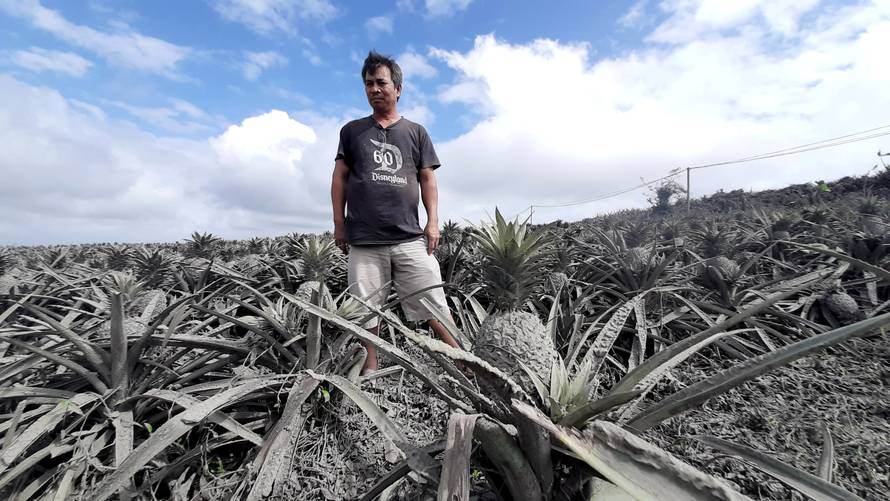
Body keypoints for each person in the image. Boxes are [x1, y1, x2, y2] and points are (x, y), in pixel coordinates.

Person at [331, 50, 462, 374]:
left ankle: (463, 363)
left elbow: (427, 178)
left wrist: (432, 222)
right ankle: (370, 366)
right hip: (364, 238)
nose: (374, 89)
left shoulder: (416, 132)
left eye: (380, 82)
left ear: (398, 88)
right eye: (368, 84)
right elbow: (340, 178)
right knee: (366, 308)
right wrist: (339, 224)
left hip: (408, 236)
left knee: (432, 299)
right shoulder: (351, 131)